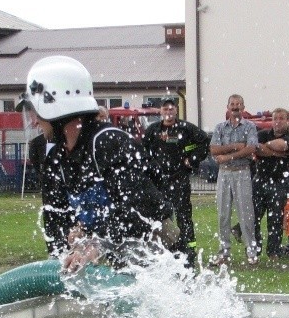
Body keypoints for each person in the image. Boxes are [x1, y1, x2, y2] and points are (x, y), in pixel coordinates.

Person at [26, 56, 177, 272]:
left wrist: (97, 243)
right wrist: (72, 239)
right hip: (111, 250)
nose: (34, 121)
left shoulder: (109, 143)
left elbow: (139, 212)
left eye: (37, 112)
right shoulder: (56, 160)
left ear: (57, 110)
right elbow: (56, 221)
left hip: (151, 251)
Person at [142, 97, 209, 266]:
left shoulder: (185, 128)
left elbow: (204, 142)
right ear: (160, 112)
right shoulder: (152, 130)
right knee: (161, 216)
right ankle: (167, 249)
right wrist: (150, 168)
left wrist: (191, 160)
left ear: (176, 111)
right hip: (159, 182)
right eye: (165, 110)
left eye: (171, 109)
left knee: (184, 216)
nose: (168, 113)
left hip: (179, 179)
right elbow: (142, 151)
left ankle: (189, 249)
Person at [209, 94, 259, 266]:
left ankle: (251, 250)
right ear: (228, 106)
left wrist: (227, 156)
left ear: (243, 107)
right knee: (223, 214)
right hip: (224, 174)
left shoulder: (250, 126)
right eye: (232, 104)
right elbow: (214, 150)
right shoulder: (220, 127)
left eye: (238, 104)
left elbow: (251, 148)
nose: (235, 107)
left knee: (246, 213)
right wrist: (235, 147)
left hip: (242, 172)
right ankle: (224, 251)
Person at [252, 108, 289, 259]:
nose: (278, 121)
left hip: (279, 182)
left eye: (282, 118)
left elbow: (282, 145)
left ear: (287, 121)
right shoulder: (262, 134)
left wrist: (265, 148)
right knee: (254, 217)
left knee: (275, 219)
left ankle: (273, 251)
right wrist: (274, 152)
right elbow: (254, 148)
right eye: (275, 118)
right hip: (260, 180)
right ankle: (254, 250)